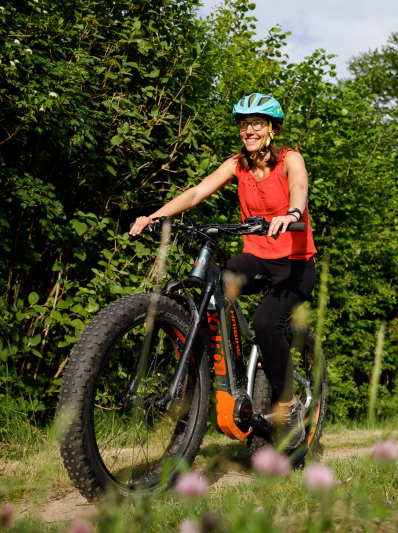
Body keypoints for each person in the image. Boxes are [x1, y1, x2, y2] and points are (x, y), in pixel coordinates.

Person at [129, 92, 317, 448]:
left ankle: (289, 403)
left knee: (266, 322)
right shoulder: (237, 165)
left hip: (295, 264)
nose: (250, 130)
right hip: (257, 258)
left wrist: (292, 214)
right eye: (244, 125)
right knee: (206, 287)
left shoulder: (290, 159)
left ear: (272, 129)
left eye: (257, 124)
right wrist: (155, 217)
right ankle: (210, 376)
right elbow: (197, 192)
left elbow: (299, 186)